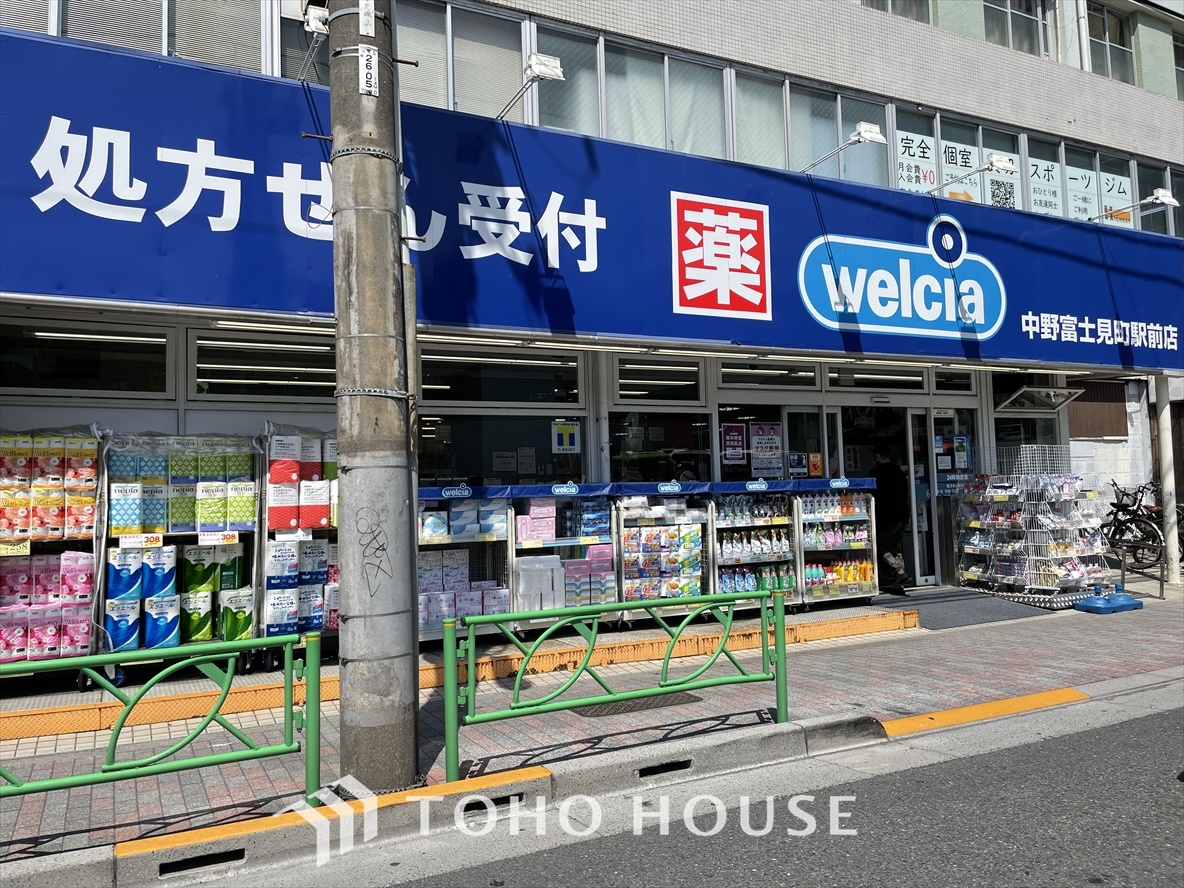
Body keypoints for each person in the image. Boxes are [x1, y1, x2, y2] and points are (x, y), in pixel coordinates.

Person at [869, 442, 912, 595]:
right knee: (896, 548)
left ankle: (899, 573)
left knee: (879, 546)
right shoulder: (899, 472)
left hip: (885, 516)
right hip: (902, 515)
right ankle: (898, 584)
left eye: (874, 454)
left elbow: (872, 495)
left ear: (877, 456)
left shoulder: (875, 473)